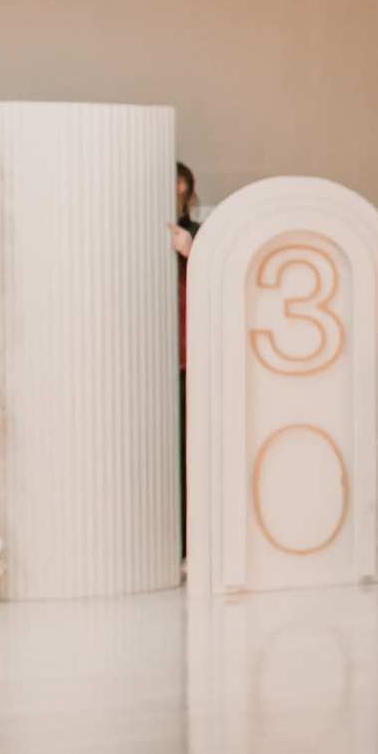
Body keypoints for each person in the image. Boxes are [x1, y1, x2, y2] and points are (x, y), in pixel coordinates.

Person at [173, 164, 200, 548]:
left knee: (186, 449)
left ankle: (186, 539)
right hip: (144, 357)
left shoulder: (198, 236)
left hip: (186, 357)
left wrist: (190, 251)